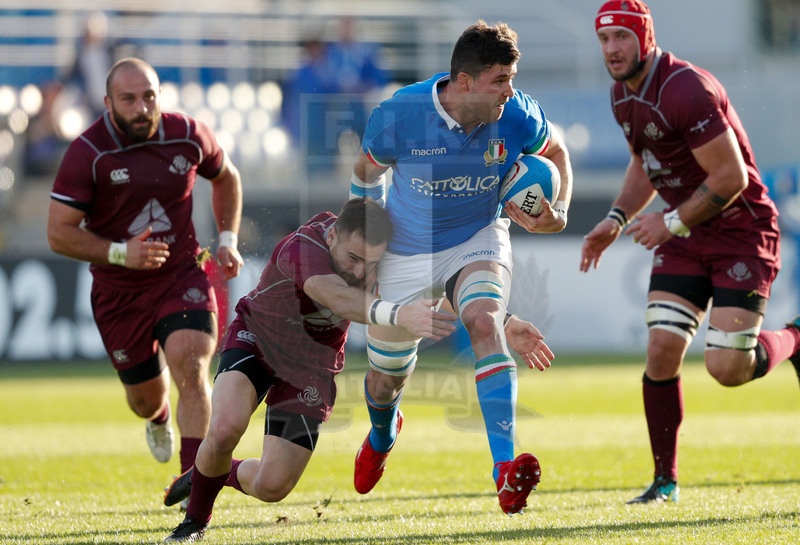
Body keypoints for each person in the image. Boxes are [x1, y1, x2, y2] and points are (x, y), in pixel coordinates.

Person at [348, 20, 571, 515]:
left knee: (485, 322)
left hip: (478, 234)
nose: (509, 92)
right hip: (405, 247)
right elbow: (364, 177)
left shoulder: (517, 115)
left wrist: (559, 215)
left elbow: (555, 151)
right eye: (500, 81)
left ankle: (504, 470)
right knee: (385, 383)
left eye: (512, 79)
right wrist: (362, 247)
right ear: (464, 82)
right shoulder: (399, 115)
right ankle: (383, 436)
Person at [582, 0, 800, 504]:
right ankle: (665, 481)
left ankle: (794, 338)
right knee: (660, 351)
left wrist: (670, 220)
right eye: (604, 40)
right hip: (685, 233)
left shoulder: (686, 88)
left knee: (727, 369)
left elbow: (731, 177)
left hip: (741, 231)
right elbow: (645, 160)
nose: (612, 49)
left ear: (646, 37)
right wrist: (615, 220)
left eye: (622, 37)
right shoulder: (622, 95)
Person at [161, 198, 460, 542]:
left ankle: (208, 472)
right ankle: (194, 524)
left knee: (272, 487)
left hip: (311, 366)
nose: (361, 271)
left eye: (371, 262)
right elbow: (335, 295)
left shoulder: (378, 257)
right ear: (332, 236)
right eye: (354, 259)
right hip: (257, 340)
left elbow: (444, 282)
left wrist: (501, 320)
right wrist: (398, 314)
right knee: (226, 428)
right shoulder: (303, 247)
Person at [47, 58, 244, 491]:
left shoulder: (188, 135)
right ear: (108, 103)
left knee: (191, 366)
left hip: (182, 274)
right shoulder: (89, 153)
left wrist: (227, 238)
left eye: (149, 96)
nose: (141, 107)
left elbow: (226, 177)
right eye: (129, 99)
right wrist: (120, 253)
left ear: (160, 95)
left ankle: (194, 480)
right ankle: (158, 417)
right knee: (144, 399)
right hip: (120, 290)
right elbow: (58, 234)